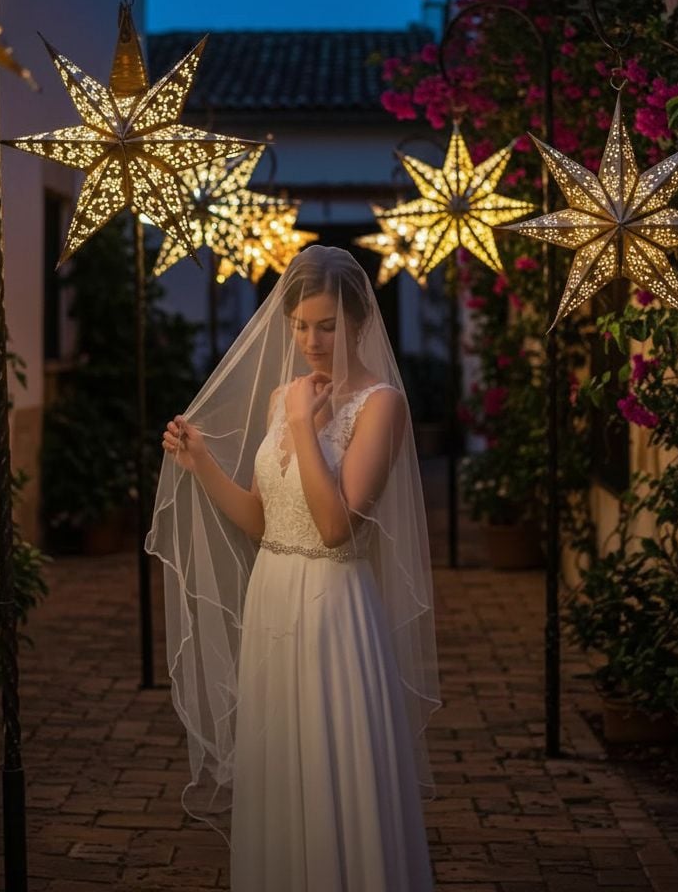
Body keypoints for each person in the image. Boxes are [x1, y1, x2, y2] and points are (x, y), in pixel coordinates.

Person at [145, 244, 439, 892]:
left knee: (336, 768)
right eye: (300, 325)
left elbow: (336, 527)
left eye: (327, 324)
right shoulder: (284, 397)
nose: (311, 339)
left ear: (359, 322)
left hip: (334, 607)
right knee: (283, 767)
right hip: (273, 597)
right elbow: (261, 521)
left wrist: (306, 427)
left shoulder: (381, 404)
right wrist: (203, 466)